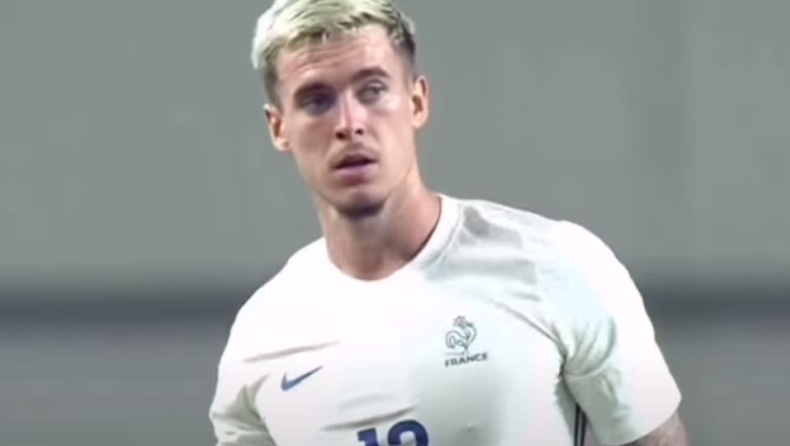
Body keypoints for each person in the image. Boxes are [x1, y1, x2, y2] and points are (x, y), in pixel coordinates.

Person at [209, 0, 689, 445]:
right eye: (316, 100)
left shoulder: (557, 265)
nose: (349, 123)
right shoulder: (260, 338)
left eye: (372, 90)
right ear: (279, 127)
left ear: (417, 102)